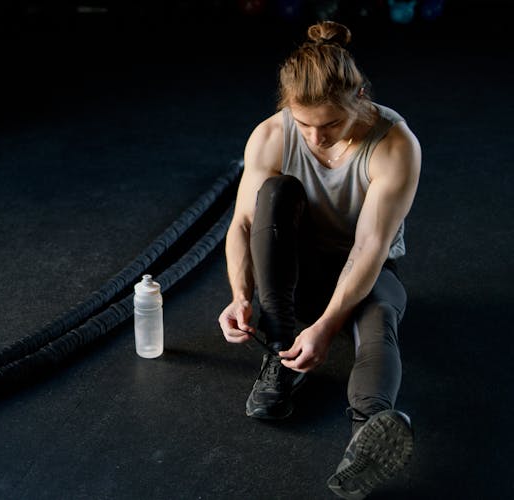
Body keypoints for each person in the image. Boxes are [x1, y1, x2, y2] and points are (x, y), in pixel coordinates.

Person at [217, 20, 421, 499]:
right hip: (293, 264)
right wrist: (240, 296)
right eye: (303, 123)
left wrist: (328, 325)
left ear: (361, 97)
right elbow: (244, 226)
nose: (315, 137)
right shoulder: (271, 135)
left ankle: (367, 440)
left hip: (364, 267)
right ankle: (283, 357)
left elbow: (370, 246)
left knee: (381, 319)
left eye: (330, 124)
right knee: (275, 192)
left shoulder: (394, 144)